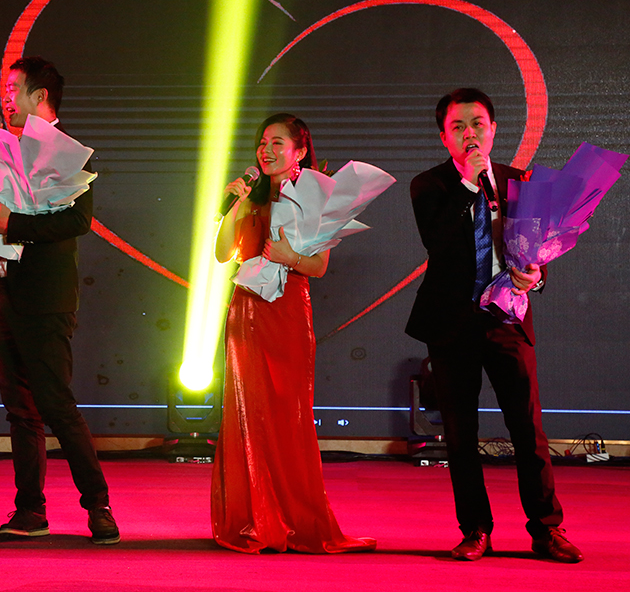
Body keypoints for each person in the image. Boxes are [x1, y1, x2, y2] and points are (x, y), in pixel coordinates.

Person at [406, 88, 582, 563]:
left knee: (528, 428)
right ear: (444, 137)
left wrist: (535, 275)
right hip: (452, 323)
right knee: (460, 433)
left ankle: (547, 529)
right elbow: (438, 244)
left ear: (493, 130)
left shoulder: (519, 181)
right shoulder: (428, 185)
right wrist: (468, 184)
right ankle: (475, 530)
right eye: (458, 126)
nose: (470, 133)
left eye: (477, 124)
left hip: (507, 320)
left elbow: (537, 248)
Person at [0, 56, 118, 545]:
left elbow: (77, 221)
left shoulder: (69, 151)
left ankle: (98, 506)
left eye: (14, 89)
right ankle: (30, 509)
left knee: (55, 403)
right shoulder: (8, 144)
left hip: (47, 295)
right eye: (4, 89)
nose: (6, 97)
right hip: (7, 287)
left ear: (40, 96)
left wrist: (14, 225)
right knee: (19, 408)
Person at [211, 113, 377, 554]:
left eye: (277, 143)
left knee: (290, 414)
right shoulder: (251, 196)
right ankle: (253, 519)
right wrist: (236, 204)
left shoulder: (314, 198)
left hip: (288, 314)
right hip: (247, 312)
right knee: (249, 414)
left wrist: (288, 257)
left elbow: (318, 267)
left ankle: (297, 519)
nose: (266, 150)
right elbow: (223, 253)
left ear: (300, 150)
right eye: (262, 142)